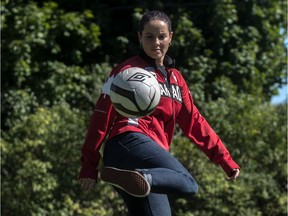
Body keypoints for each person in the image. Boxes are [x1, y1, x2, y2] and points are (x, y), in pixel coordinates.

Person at [79, 10, 240, 216]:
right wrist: (89, 166)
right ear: (139, 37)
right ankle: (142, 177)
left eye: (162, 36)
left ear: (170, 37)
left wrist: (225, 160)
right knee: (187, 183)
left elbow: (194, 122)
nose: (156, 42)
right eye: (149, 36)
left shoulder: (176, 79)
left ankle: (138, 178)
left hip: (141, 166)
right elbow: (100, 117)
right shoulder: (126, 71)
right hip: (127, 144)